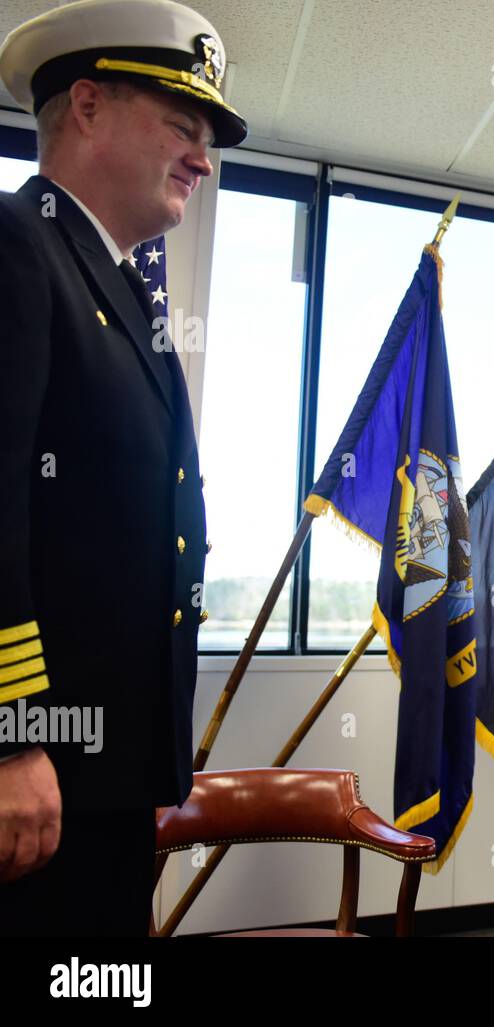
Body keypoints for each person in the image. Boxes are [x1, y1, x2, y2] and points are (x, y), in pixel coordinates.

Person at [0, 0, 246, 936]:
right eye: (182, 125)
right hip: (42, 763)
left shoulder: (119, 285)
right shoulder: (17, 244)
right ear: (89, 106)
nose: (202, 156)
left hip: (103, 768)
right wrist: (11, 739)